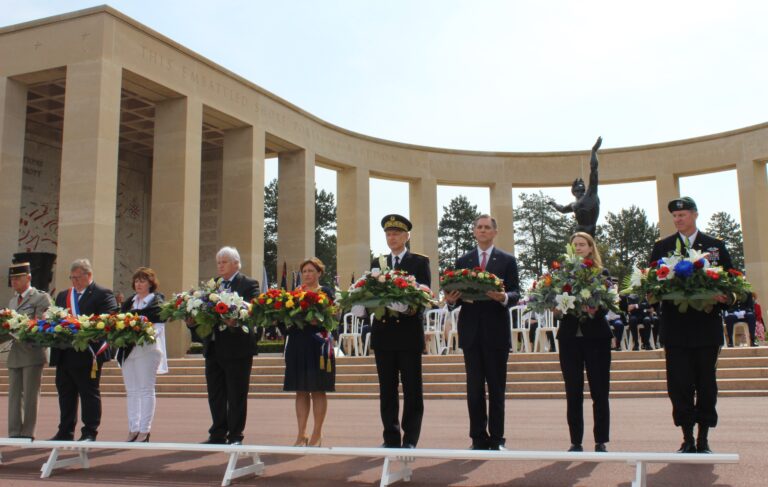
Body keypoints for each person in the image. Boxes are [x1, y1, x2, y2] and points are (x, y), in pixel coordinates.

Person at [650, 196, 733, 454]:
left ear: (695, 215)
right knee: (679, 384)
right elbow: (652, 284)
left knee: (706, 384)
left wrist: (725, 298)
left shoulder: (715, 246)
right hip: (675, 329)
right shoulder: (662, 247)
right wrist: (653, 296)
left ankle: (704, 438)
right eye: (675, 216)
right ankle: (687, 437)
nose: (678, 219)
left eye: (682, 215)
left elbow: (731, 284)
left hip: (706, 328)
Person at [445, 214, 520, 450]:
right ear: (474, 232)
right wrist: (449, 301)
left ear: (495, 232)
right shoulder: (462, 261)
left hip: (496, 332)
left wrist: (503, 297)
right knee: (474, 388)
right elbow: (454, 297)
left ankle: (497, 438)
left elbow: (517, 292)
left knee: (497, 388)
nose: (483, 230)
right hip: (471, 332)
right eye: (479, 227)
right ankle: (478, 437)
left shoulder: (507, 260)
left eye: (487, 227)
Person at [370, 214, 431, 448]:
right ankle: (390, 437)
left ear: (407, 236)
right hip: (383, 334)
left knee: (412, 389)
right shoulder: (378, 262)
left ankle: (411, 438)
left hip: (408, 333)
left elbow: (425, 293)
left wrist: (407, 307)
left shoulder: (418, 261)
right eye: (388, 233)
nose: (392, 237)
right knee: (387, 390)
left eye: (396, 233)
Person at [190, 246, 259, 445]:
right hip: (213, 346)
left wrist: (236, 321)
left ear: (236, 263)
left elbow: (253, 310)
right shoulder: (213, 285)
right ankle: (218, 432)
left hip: (237, 348)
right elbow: (203, 313)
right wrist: (193, 322)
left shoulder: (248, 283)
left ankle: (236, 435)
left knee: (236, 393)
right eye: (218, 262)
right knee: (216, 393)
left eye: (224, 262)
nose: (220, 266)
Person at [556, 232, 613, 452]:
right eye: (575, 245)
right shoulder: (562, 274)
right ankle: (576, 441)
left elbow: (608, 304)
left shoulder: (601, 273)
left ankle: (601, 440)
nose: (578, 248)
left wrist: (596, 306)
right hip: (570, 338)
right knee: (573, 391)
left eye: (582, 244)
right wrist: (557, 307)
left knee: (600, 391)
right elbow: (557, 305)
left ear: (591, 248)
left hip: (596, 338)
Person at [50, 258, 118, 441]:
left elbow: (110, 318)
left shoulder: (102, 294)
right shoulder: (63, 295)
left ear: (88, 275)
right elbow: (55, 318)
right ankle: (65, 431)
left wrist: (84, 326)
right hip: (65, 353)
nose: (74, 281)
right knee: (66, 394)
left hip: (89, 353)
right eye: (71, 278)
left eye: (77, 277)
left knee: (88, 393)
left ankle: (89, 431)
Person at [283, 257, 336, 447]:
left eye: (311, 271)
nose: (307, 274)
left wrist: (317, 319)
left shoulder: (326, 292)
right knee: (300, 390)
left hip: (318, 345)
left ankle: (317, 432)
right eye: (304, 271)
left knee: (317, 389)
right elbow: (286, 320)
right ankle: (301, 433)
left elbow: (331, 315)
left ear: (319, 273)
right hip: (298, 343)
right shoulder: (293, 294)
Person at [116, 267, 168, 442]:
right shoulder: (130, 302)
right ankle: (133, 427)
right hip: (128, 350)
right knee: (131, 390)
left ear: (150, 283)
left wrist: (140, 331)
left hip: (147, 349)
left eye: (143, 281)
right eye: (137, 281)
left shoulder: (156, 302)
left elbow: (158, 327)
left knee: (146, 389)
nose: (139, 284)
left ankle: (145, 430)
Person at [3, 262, 51, 439]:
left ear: (28, 278)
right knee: (14, 396)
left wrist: (22, 329)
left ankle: (27, 432)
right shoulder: (13, 300)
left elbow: (42, 324)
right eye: (12, 279)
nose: (14, 281)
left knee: (30, 395)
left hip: (32, 351)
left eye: (17, 278)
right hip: (15, 353)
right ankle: (14, 432)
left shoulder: (40, 298)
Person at [550, 137, 602, 236]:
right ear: (573, 191)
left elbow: (594, 170)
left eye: (581, 189)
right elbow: (562, 209)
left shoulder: (590, 195)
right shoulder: (573, 204)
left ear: (584, 189)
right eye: (577, 190)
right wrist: (553, 203)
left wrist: (594, 151)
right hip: (578, 232)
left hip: (590, 231)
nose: (579, 192)